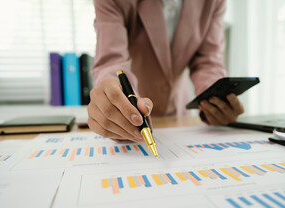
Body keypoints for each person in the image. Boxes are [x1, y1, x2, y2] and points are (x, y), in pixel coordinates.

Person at [88, 0, 244, 142]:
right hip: (133, 111)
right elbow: (112, 61)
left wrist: (216, 97)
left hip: (180, 117)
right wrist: (116, 96)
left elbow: (208, 61)